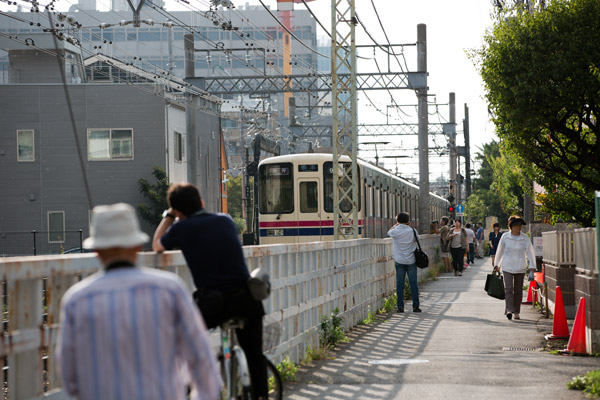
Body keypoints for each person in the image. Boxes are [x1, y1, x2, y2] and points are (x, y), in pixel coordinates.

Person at [57, 203, 221, 400]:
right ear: (136, 246)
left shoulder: (77, 299)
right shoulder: (169, 289)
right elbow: (200, 356)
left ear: (97, 251)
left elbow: (68, 373)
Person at [153, 183, 268, 399]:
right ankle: (261, 395)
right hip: (247, 300)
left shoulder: (180, 228)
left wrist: (168, 217)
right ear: (202, 203)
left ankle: (197, 388)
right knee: (255, 356)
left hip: (213, 306)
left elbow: (157, 245)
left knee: (185, 343)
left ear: (178, 212)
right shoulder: (225, 220)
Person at [494, 215, 536, 321]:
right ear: (511, 227)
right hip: (507, 266)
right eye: (517, 226)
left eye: (520, 226)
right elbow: (500, 251)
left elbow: (530, 253)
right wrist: (496, 265)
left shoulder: (525, 238)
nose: (519, 228)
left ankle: (516, 311)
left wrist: (532, 267)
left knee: (518, 290)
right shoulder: (505, 236)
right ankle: (509, 310)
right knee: (508, 288)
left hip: (520, 267)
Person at [387, 212, 421, 313]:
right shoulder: (412, 231)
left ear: (397, 220)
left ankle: (400, 307)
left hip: (399, 260)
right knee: (413, 283)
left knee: (400, 284)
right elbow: (418, 239)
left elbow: (389, 233)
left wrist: (395, 225)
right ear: (408, 221)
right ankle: (416, 306)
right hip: (411, 260)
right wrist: (410, 227)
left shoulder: (395, 231)